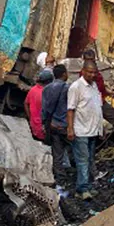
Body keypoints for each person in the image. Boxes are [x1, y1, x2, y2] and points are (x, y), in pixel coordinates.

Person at [67, 58, 105, 200]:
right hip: (81, 130)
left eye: (94, 73)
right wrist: (70, 129)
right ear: (83, 71)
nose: (92, 75)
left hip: (93, 130)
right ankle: (81, 189)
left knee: (89, 159)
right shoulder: (76, 87)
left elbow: (98, 108)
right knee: (82, 160)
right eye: (89, 72)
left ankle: (87, 186)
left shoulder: (94, 86)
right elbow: (70, 109)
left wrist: (100, 127)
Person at [40, 64, 72, 195]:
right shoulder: (68, 88)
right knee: (79, 150)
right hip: (67, 126)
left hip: (53, 125)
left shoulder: (46, 89)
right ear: (64, 74)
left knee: (57, 154)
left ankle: (60, 182)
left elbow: (44, 109)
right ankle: (85, 178)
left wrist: (45, 123)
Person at [25, 68, 53, 142]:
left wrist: (30, 117)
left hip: (33, 125)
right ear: (48, 82)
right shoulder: (47, 93)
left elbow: (26, 103)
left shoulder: (33, 89)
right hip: (43, 129)